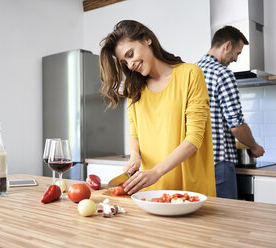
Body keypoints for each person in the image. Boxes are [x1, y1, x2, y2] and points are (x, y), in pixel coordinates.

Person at [99, 20, 216, 196]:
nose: (130, 65)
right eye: (125, 61)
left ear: (147, 39)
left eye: (131, 54)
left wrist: (156, 172)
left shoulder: (190, 74)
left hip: (189, 192)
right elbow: (135, 134)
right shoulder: (134, 90)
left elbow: (194, 139)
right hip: (150, 193)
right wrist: (134, 155)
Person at [196, 26, 265, 199]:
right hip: (219, 163)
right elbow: (236, 126)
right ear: (226, 45)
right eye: (237, 53)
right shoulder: (223, 74)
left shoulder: (190, 72)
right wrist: (254, 146)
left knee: (201, 220)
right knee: (228, 220)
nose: (235, 59)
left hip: (194, 163)